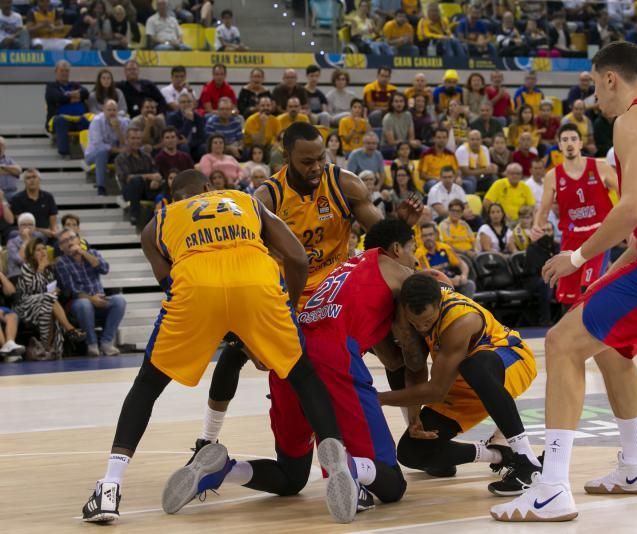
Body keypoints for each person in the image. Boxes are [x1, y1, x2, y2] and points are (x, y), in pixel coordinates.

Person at [491, 42, 637, 523]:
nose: (595, 97)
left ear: (611, 79)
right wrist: (597, 279)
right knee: (609, 345)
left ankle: (551, 487)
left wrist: (577, 257)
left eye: (595, 86)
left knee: (561, 343)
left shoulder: (631, 121)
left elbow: (631, 208)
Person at [80, 170, 359, 524]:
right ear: (210, 188)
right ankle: (336, 460)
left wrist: (218, 322)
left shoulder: (157, 223)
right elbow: (297, 257)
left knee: (148, 385)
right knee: (302, 374)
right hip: (257, 282)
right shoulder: (246, 201)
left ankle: (110, 487)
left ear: (173, 196)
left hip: (197, 286)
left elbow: (169, 282)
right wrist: (281, 310)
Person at [187, 123, 422, 473]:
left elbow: (380, 238)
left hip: (339, 290)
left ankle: (416, 431)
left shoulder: (344, 184)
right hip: (291, 296)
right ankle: (207, 438)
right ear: (286, 158)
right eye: (307, 161)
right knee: (234, 352)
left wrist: (398, 225)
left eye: (321, 158)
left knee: (399, 345)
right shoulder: (266, 200)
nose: (315, 167)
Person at [164, 220, 424, 515]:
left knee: (291, 476)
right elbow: (407, 360)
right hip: (335, 357)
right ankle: (350, 467)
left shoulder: (347, 269)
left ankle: (222, 470)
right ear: (396, 249)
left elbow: (384, 351)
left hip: (290, 354)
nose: (415, 258)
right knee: (393, 486)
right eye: (413, 250)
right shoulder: (402, 274)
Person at [379, 273, 539, 494]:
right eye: (415, 323)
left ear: (438, 304)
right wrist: (414, 417)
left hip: (509, 360)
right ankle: (500, 454)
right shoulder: (411, 315)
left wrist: (378, 398)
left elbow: (436, 390)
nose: (422, 328)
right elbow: (416, 367)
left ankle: (527, 460)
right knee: (410, 453)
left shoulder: (460, 320)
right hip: (463, 381)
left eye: (426, 321)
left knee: (474, 366)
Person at [55, 228, 126, 356]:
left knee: (120, 301)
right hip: (78, 304)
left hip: (100, 299)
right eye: (65, 241)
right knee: (84, 304)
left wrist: (83, 252)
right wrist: (92, 299)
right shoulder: (62, 262)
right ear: (61, 247)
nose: (70, 242)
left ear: (78, 239)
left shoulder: (92, 253)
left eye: (72, 238)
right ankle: (92, 344)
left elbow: (104, 269)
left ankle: (106, 342)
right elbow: (72, 290)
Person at [16, 237, 85, 359]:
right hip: (26, 305)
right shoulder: (26, 267)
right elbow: (32, 289)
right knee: (49, 299)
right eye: (38, 250)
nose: (42, 252)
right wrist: (40, 269)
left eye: (44, 249)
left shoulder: (49, 270)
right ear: (31, 253)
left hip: (44, 303)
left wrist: (55, 290)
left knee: (50, 307)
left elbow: (48, 290)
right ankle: (70, 329)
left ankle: (46, 348)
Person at [115, 127, 162, 225]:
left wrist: (156, 180)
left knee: (165, 185)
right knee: (136, 181)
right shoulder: (121, 158)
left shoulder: (147, 156)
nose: (136, 141)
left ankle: (157, 219)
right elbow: (128, 178)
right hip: (130, 190)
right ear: (127, 140)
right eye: (133, 138)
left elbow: (156, 173)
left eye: (138, 138)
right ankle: (134, 216)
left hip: (148, 189)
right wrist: (150, 176)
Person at [415, 223, 475, 296]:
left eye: (430, 234)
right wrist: (450, 281)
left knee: (469, 285)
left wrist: (463, 276)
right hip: (435, 286)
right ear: (421, 238)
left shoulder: (445, 248)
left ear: (436, 235)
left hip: (452, 281)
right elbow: (428, 277)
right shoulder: (419, 254)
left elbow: (462, 263)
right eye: (425, 236)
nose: (428, 238)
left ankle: (465, 307)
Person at [46, 60, 90, 159]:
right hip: (61, 120)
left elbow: (85, 93)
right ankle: (64, 153)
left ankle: (92, 154)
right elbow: (58, 97)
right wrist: (73, 96)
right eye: (62, 70)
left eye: (67, 71)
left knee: (94, 123)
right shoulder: (51, 86)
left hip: (79, 119)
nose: (64, 73)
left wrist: (67, 96)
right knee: (60, 121)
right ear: (56, 72)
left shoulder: (74, 85)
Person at [85, 100, 129, 196]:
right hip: (93, 154)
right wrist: (119, 150)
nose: (112, 112)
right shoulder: (97, 121)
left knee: (128, 153)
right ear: (103, 110)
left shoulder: (123, 122)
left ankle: (127, 188)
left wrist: (117, 129)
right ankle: (101, 187)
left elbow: (125, 144)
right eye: (109, 110)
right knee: (102, 152)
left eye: (114, 110)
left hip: (114, 153)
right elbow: (99, 145)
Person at [10, 169, 58, 241]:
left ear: (39, 179)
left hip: (47, 232)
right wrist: (43, 231)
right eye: (28, 178)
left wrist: (54, 232)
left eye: (34, 177)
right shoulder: (17, 199)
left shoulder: (48, 197)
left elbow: (53, 222)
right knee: (39, 235)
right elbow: (23, 224)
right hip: (25, 232)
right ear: (24, 182)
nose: (31, 180)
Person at [167, 92, 206, 160]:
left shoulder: (198, 117)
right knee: (184, 146)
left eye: (189, 102)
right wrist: (189, 121)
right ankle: (187, 168)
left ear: (193, 104)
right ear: (179, 104)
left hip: (194, 146)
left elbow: (202, 137)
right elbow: (178, 136)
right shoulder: (172, 117)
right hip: (178, 146)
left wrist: (190, 143)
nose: (186, 104)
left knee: (204, 147)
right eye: (183, 102)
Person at [456, 130, 496, 194]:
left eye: (478, 139)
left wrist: (492, 169)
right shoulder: (462, 150)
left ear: (481, 140)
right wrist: (483, 170)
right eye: (472, 139)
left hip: (480, 177)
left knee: (494, 178)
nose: (475, 142)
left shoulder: (484, 149)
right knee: (472, 179)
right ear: (468, 140)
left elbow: (488, 169)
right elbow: (465, 172)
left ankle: (489, 201)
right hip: (464, 178)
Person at [419, 128, 459, 192]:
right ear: (434, 139)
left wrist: (456, 178)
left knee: (468, 183)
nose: (442, 140)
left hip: (449, 180)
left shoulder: (451, 154)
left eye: (444, 137)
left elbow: (456, 172)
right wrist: (437, 179)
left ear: (447, 139)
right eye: (439, 137)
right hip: (433, 181)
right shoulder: (426, 154)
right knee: (433, 184)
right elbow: (422, 175)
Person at [381, 92, 419, 159]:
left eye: (401, 101)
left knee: (424, 149)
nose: (399, 104)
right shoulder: (388, 118)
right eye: (396, 101)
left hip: (405, 144)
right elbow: (391, 142)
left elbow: (411, 137)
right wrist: (407, 143)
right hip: (389, 147)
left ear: (405, 103)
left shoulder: (408, 115)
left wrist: (412, 142)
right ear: (392, 104)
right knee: (403, 150)